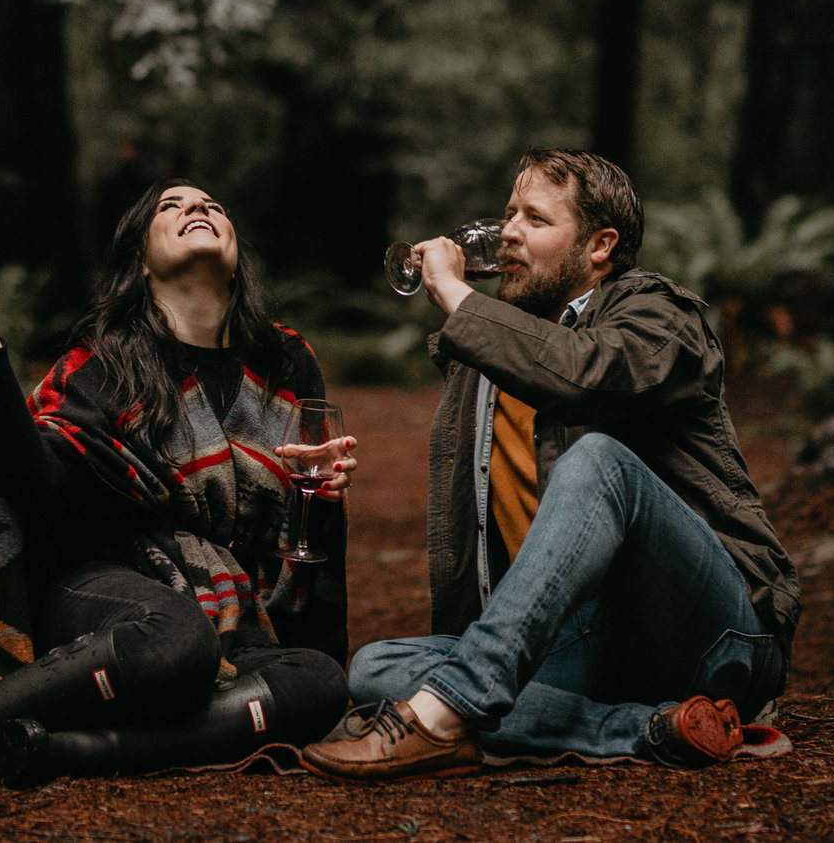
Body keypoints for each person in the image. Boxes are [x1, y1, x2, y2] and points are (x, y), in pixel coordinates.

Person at [0, 181, 355, 788]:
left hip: (239, 610)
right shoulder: (106, 360)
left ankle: (68, 751)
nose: (199, 209)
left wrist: (321, 498)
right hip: (104, 585)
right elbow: (35, 487)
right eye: (171, 205)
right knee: (179, 639)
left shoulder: (286, 360)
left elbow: (301, 531)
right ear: (141, 259)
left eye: (214, 205)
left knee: (320, 681)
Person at [303, 149, 799, 778]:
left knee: (601, 461)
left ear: (599, 245)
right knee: (376, 668)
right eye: (508, 214)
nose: (508, 232)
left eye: (535, 220)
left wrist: (457, 295)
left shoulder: (660, 317)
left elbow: (585, 373)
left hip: (713, 631)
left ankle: (442, 717)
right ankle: (648, 729)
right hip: (591, 646)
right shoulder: (485, 354)